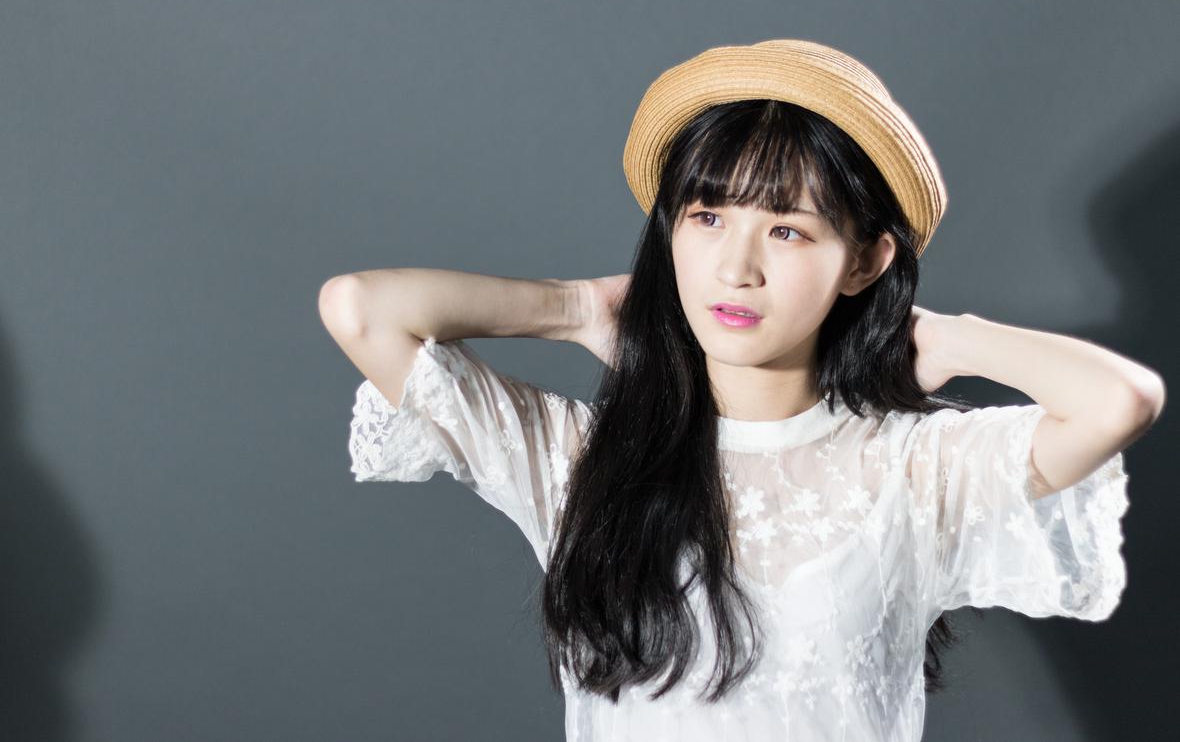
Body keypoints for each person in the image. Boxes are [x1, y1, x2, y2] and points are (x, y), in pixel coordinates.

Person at [319, 39, 1164, 741]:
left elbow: (1118, 400)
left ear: (864, 261)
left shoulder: (915, 464)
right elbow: (360, 308)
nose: (736, 267)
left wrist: (945, 339)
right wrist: (573, 308)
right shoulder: (579, 458)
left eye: (787, 229)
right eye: (708, 216)